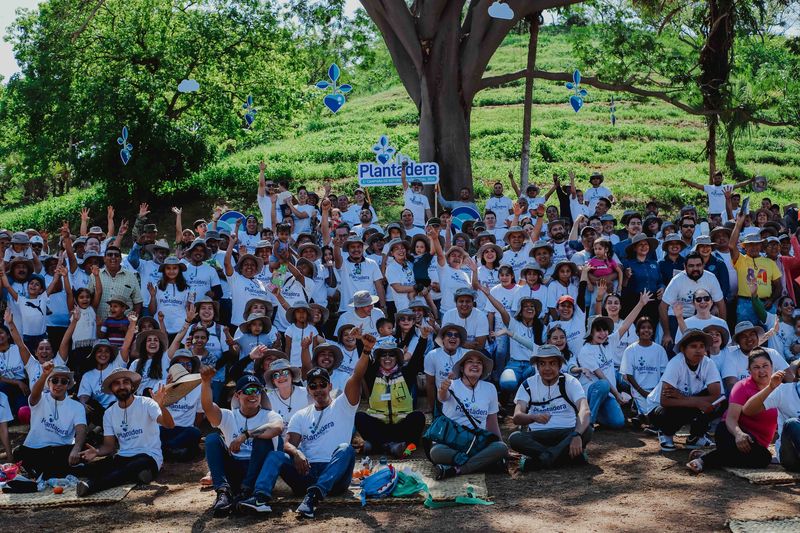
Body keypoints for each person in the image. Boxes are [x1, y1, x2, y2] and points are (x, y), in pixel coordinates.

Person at [240, 333, 372, 519]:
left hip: (335, 475)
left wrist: (366, 351)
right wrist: (297, 453)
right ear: (308, 389)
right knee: (276, 454)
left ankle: (313, 497)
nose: (318, 389)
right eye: (313, 386)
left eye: (322, 384)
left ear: (329, 385)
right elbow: (287, 443)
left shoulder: (343, 405)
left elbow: (357, 376)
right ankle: (260, 498)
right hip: (307, 471)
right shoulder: (301, 415)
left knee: (345, 449)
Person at [76, 367, 175, 496]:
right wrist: (97, 452)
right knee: (86, 470)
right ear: (112, 389)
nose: (122, 386)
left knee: (131, 467)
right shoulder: (109, 413)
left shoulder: (147, 403)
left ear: (132, 387)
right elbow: (109, 446)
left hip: (148, 456)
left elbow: (169, 424)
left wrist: (161, 405)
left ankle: (92, 486)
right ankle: (139, 476)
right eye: (117, 383)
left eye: (125, 382)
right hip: (123, 457)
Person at [201, 370, 284, 516]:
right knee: (212, 439)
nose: (254, 395)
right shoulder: (228, 415)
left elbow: (277, 428)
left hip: (257, 469)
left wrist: (245, 435)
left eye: (258, 390)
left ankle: (247, 492)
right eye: (248, 390)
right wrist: (206, 383)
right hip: (235, 468)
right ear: (238, 395)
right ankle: (223, 492)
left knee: (263, 440)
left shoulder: (269, 415)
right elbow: (208, 408)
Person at [686, 350, 777, 473]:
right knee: (763, 459)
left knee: (763, 458)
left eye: (765, 366)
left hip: (757, 444)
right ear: (749, 371)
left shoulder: (780, 389)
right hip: (731, 432)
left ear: (772, 367)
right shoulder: (742, 386)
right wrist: (739, 435)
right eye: (756, 367)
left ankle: (714, 455)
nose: (761, 371)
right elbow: (731, 418)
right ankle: (703, 461)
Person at [571, 292, 651, 428]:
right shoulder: (586, 351)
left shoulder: (608, 342)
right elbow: (602, 377)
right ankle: (587, 422)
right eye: (598, 331)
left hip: (607, 394)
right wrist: (618, 395)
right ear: (591, 332)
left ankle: (598, 414)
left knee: (618, 423)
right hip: (593, 392)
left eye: (605, 330)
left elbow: (625, 325)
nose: (603, 334)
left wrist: (641, 304)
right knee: (603, 384)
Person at [508, 344, 592, 470]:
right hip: (538, 437)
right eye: (542, 364)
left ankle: (540, 461)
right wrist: (533, 417)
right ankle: (565, 457)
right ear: (537, 366)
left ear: (559, 365)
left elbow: (584, 410)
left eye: (552, 363)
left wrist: (576, 434)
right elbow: (517, 417)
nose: (547, 368)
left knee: (587, 430)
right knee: (514, 438)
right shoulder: (528, 385)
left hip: (566, 434)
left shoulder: (570, 382)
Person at [430, 350, 508, 479]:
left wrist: (500, 445)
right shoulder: (452, 384)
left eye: (479, 363)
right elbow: (442, 398)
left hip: (477, 442)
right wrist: (442, 389)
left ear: (483, 369)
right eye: (470, 362)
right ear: (462, 367)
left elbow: (492, 422)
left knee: (501, 448)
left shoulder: (490, 388)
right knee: (436, 452)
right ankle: (485, 463)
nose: (475, 365)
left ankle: (456, 470)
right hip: (451, 441)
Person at [646, 329, 725, 452]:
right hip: (658, 408)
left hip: (683, 401)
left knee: (722, 402)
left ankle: (696, 436)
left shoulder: (708, 363)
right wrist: (697, 403)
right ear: (683, 349)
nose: (698, 350)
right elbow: (665, 401)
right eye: (693, 346)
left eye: (702, 346)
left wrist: (684, 398)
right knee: (679, 409)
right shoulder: (676, 363)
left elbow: (716, 395)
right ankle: (665, 433)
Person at [356, 335, 429, 457]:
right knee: (359, 417)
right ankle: (390, 446)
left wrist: (423, 337)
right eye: (383, 355)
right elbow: (364, 360)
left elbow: (416, 359)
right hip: (379, 425)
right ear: (378, 359)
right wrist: (360, 341)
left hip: (401, 426)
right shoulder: (372, 375)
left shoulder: (406, 373)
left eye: (391, 355)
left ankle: (377, 446)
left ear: (397, 358)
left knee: (418, 417)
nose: (387, 358)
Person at [15, 362, 86, 479]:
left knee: (80, 450)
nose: (58, 384)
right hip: (36, 450)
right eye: (54, 380)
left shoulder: (77, 406)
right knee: (20, 454)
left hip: (60, 450)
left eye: (63, 381)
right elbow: (34, 395)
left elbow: (81, 430)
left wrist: (76, 449)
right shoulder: (40, 398)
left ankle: (47, 473)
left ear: (68, 385)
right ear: (48, 383)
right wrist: (44, 374)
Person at [742, 361, 800, 471]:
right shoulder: (784, 391)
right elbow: (748, 410)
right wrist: (770, 387)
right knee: (792, 423)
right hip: (791, 456)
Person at [620, 317, 668, 427]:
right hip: (639, 391)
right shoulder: (630, 350)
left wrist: (655, 392)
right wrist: (642, 392)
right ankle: (638, 411)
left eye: (649, 328)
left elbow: (664, 374)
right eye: (643, 328)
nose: (646, 330)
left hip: (656, 391)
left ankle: (641, 417)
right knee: (650, 414)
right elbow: (629, 375)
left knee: (658, 414)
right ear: (637, 331)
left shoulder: (659, 350)